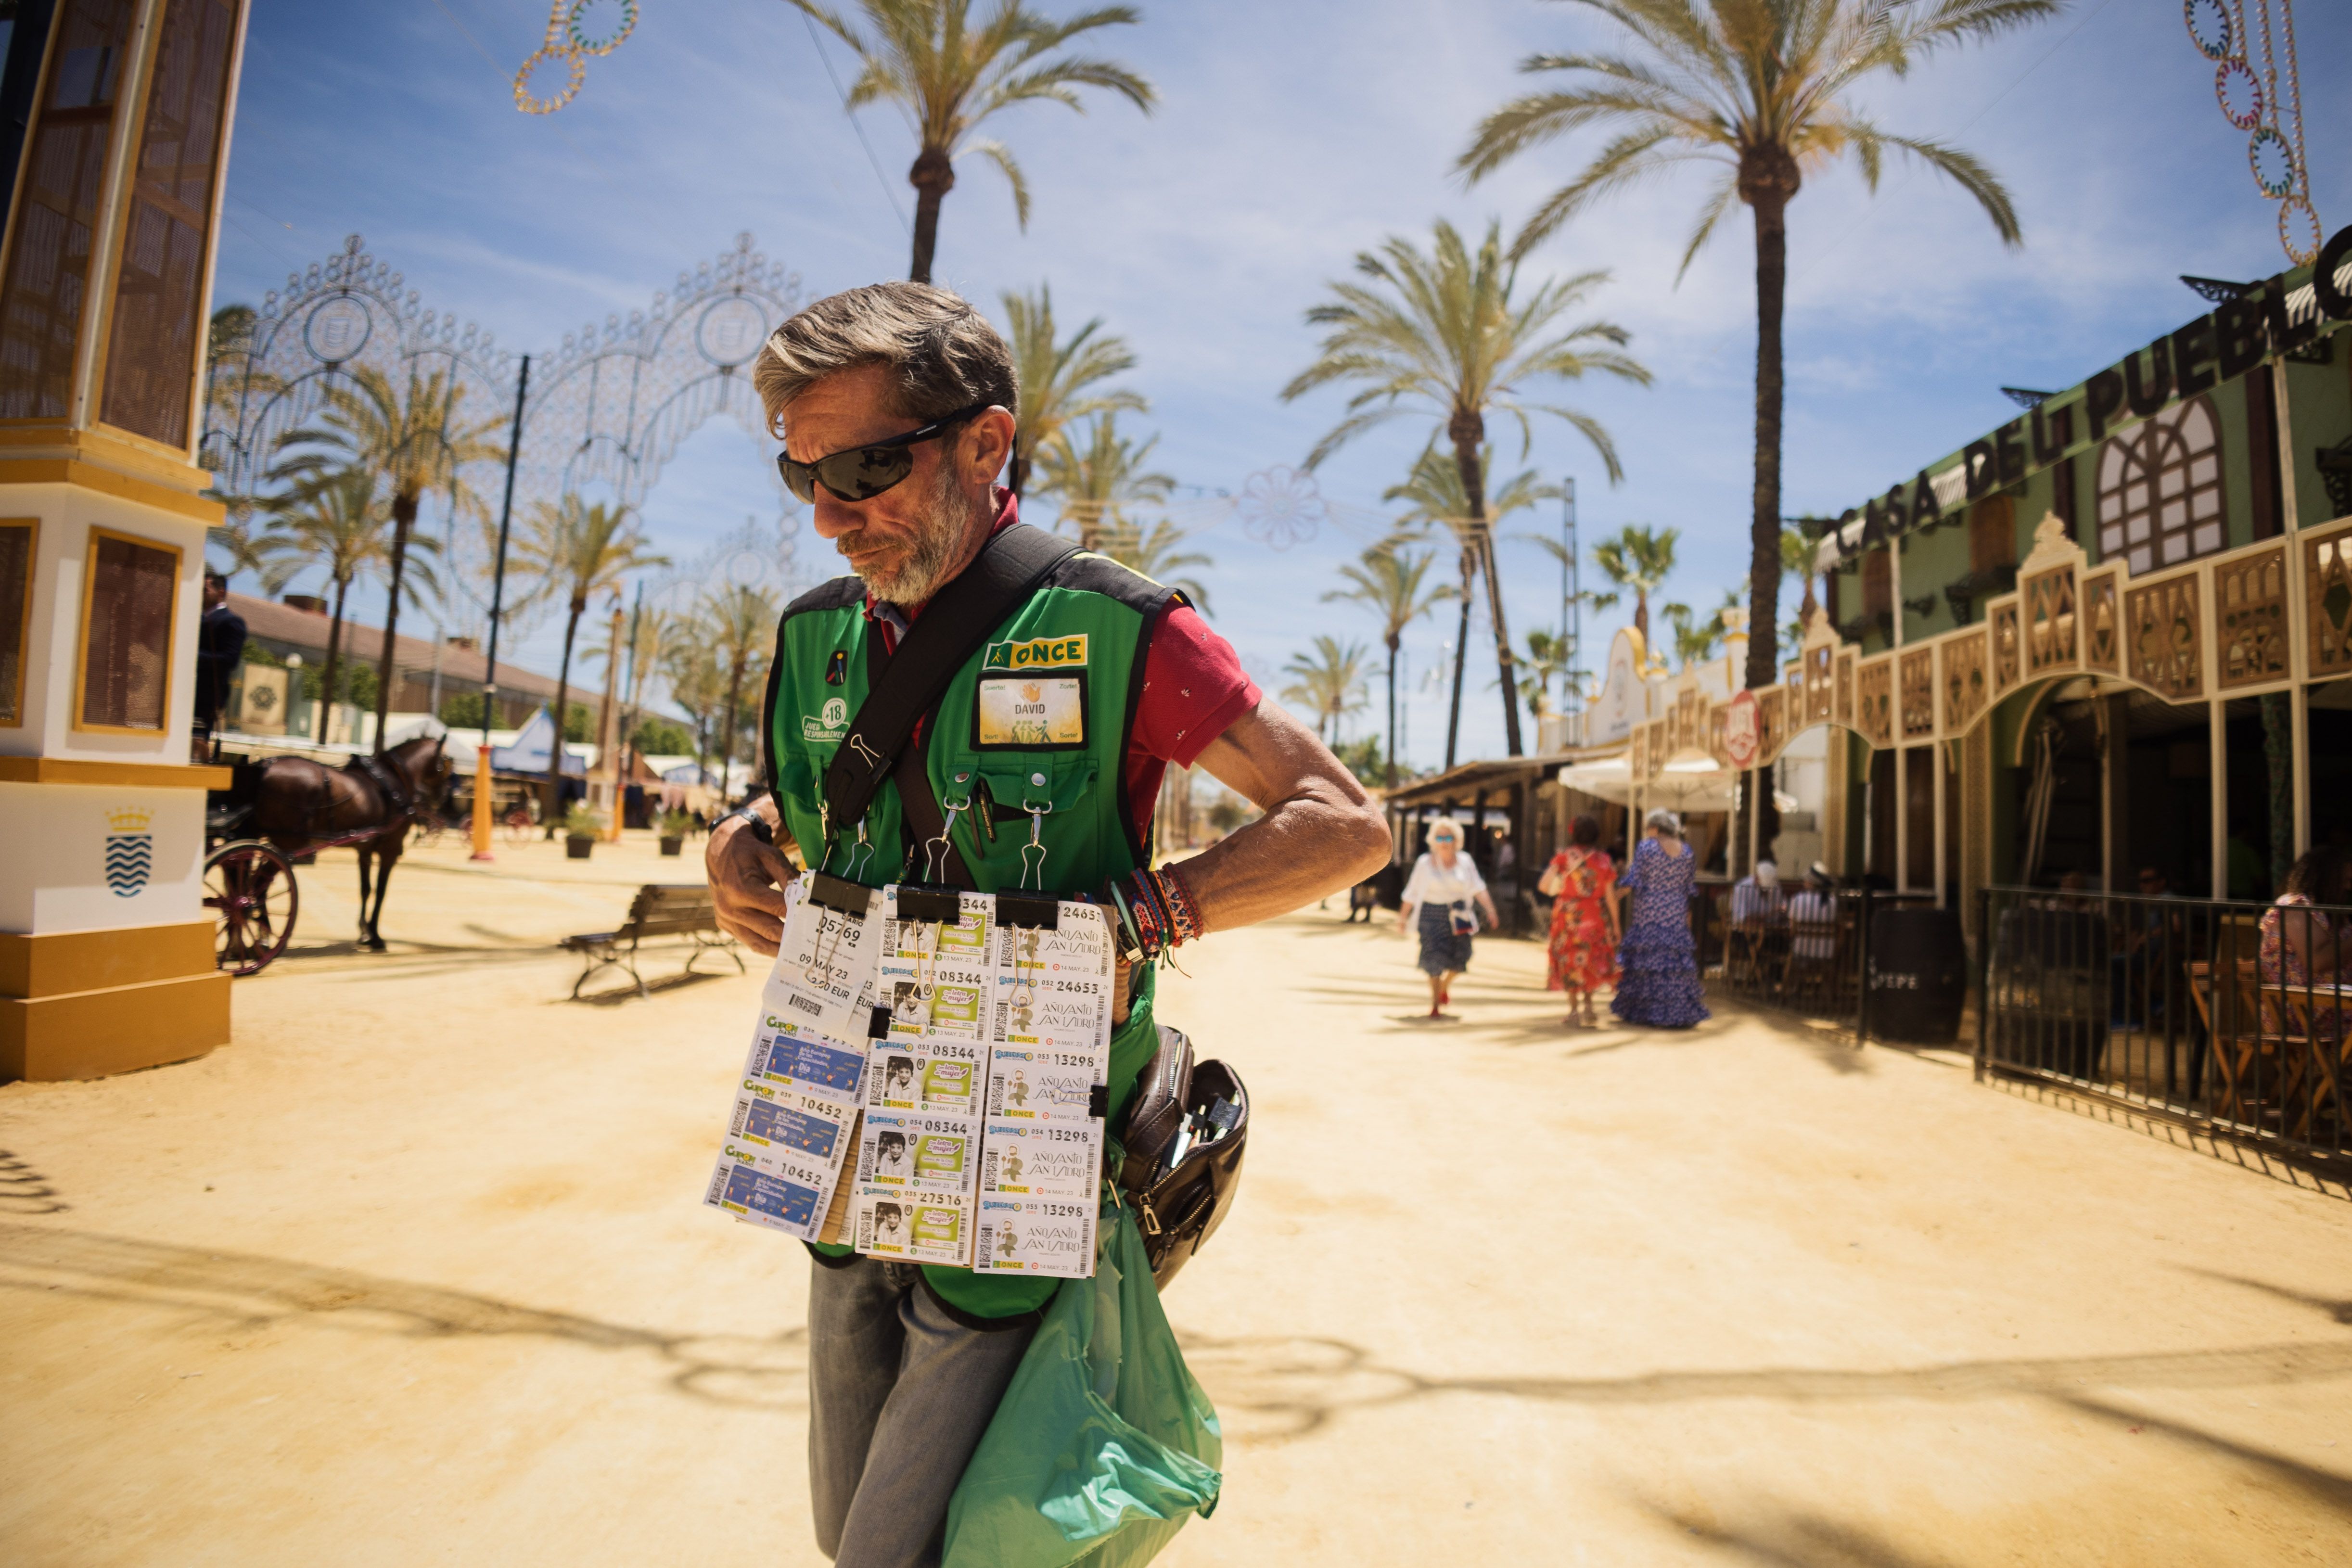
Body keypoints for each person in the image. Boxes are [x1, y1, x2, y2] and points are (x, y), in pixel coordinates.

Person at [704, 281, 1389, 1568]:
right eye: (801, 477)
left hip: (1012, 1151)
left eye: (862, 466)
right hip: (836, 1141)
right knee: (846, 1525)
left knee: (907, 1547)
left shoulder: (1118, 628)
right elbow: (809, 815)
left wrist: (1163, 906)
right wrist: (740, 838)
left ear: (983, 440)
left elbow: (1345, 823)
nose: (830, 514)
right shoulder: (810, 642)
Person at [1612, 808, 1710, 1028]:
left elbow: (1634, 878)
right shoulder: (1686, 851)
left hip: (1650, 911)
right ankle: (1676, 1012)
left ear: (1655, 828)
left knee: (1649, 960)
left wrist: (1614, 897)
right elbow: (1688, 887)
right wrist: (1687, 915)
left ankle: (1648, 1012)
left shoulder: (1648, 847)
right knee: (1674, 962)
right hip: (1676, 911)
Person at [1397, 817, 1500, 1019]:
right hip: (1431, 915)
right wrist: (1402, 918)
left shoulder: (1465, 861)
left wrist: (1491, 910)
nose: (1444, 841)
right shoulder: (1424, 863)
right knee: (1433, 960)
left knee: (1461, 958)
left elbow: (1478, 887)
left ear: (1457, 840)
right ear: (1433, 840)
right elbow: (1412, 892)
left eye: (1448, 837)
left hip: (1459, 914)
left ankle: (1444, 986)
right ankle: (1435, 1004)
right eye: (1439, 837)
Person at [2259, 846, 2351, 1047]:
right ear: (2325, 878)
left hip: (2336, 1002)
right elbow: (2317, 961)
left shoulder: (2332, 912)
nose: (2348, 889)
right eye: (2344, 881)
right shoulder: (2295, 908)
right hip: (2301, 1009)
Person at [1539, 814, 1618, 1028]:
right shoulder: (1603, 861)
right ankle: (1590, 1006)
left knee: (1570, 961)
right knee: (1590, 959)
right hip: (1594, 915)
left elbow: (1544, 886)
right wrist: (1616, 926)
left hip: (1568, 916)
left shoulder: (1564, 858)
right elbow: (1611, 897)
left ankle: (1574, 1010)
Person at [193, 571, 245, 751]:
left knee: (196, 745)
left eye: (205, 589)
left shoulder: (230, 622)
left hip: (206, 696)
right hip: (184, 691)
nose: (200, 593)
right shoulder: (193, 617)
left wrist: (192, 656)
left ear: (221, 592)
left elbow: (229, 659)